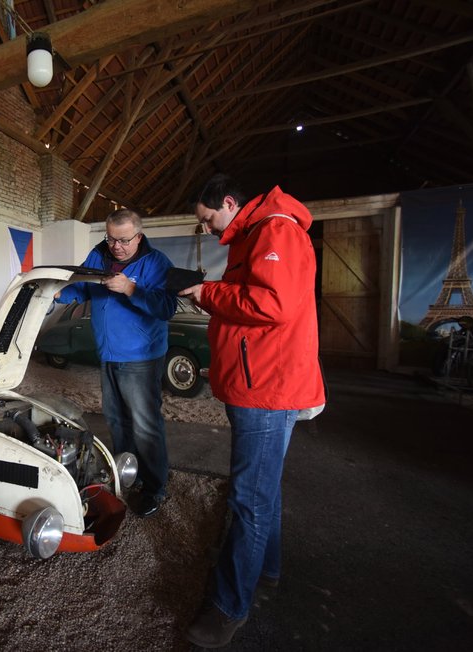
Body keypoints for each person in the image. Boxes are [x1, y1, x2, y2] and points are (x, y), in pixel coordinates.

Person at [179, 174, 325, 648]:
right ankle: (267, 572)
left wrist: (208, 294)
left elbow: (272, 303)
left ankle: (228, 607)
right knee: (263, 490)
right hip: (260, 380)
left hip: (266, 387)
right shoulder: (259, 232)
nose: (206, 229)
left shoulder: (274, 230)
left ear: (227, 201)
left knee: (248, 499)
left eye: (206, 219)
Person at [54, 208, 177, 517]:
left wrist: (131, 288)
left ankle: (155, 487)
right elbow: (82, 286)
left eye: (123, 240)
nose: (117, 246)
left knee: (146, 424)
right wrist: (56, 292)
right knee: (116, 418)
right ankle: (128, 472)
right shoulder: (99, 255)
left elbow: (166, 307)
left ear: (138, 236)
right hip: (108, 353)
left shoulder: (157, 263)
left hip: (141, 357)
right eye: (111, 238)